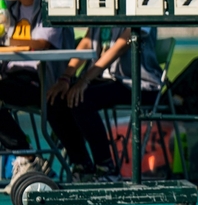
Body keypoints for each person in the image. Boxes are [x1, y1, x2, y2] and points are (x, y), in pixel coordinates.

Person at [0, 0, 75, 194]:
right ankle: (27, 158)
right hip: (13, 76)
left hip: (43, 81)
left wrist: (6, 40)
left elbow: (44, 43)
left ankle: (27, 157)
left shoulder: (50, 1)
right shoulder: (9, 9)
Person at [46, 27, 162, 181]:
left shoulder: (138, 5)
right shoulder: (102, 4)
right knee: (55, 99)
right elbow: (88, 41)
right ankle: (82, 165)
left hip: (138, 83)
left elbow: (122, 45)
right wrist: (66, 77)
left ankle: (106, 168)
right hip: (103, 79)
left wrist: (84, 79)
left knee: (82, 99)